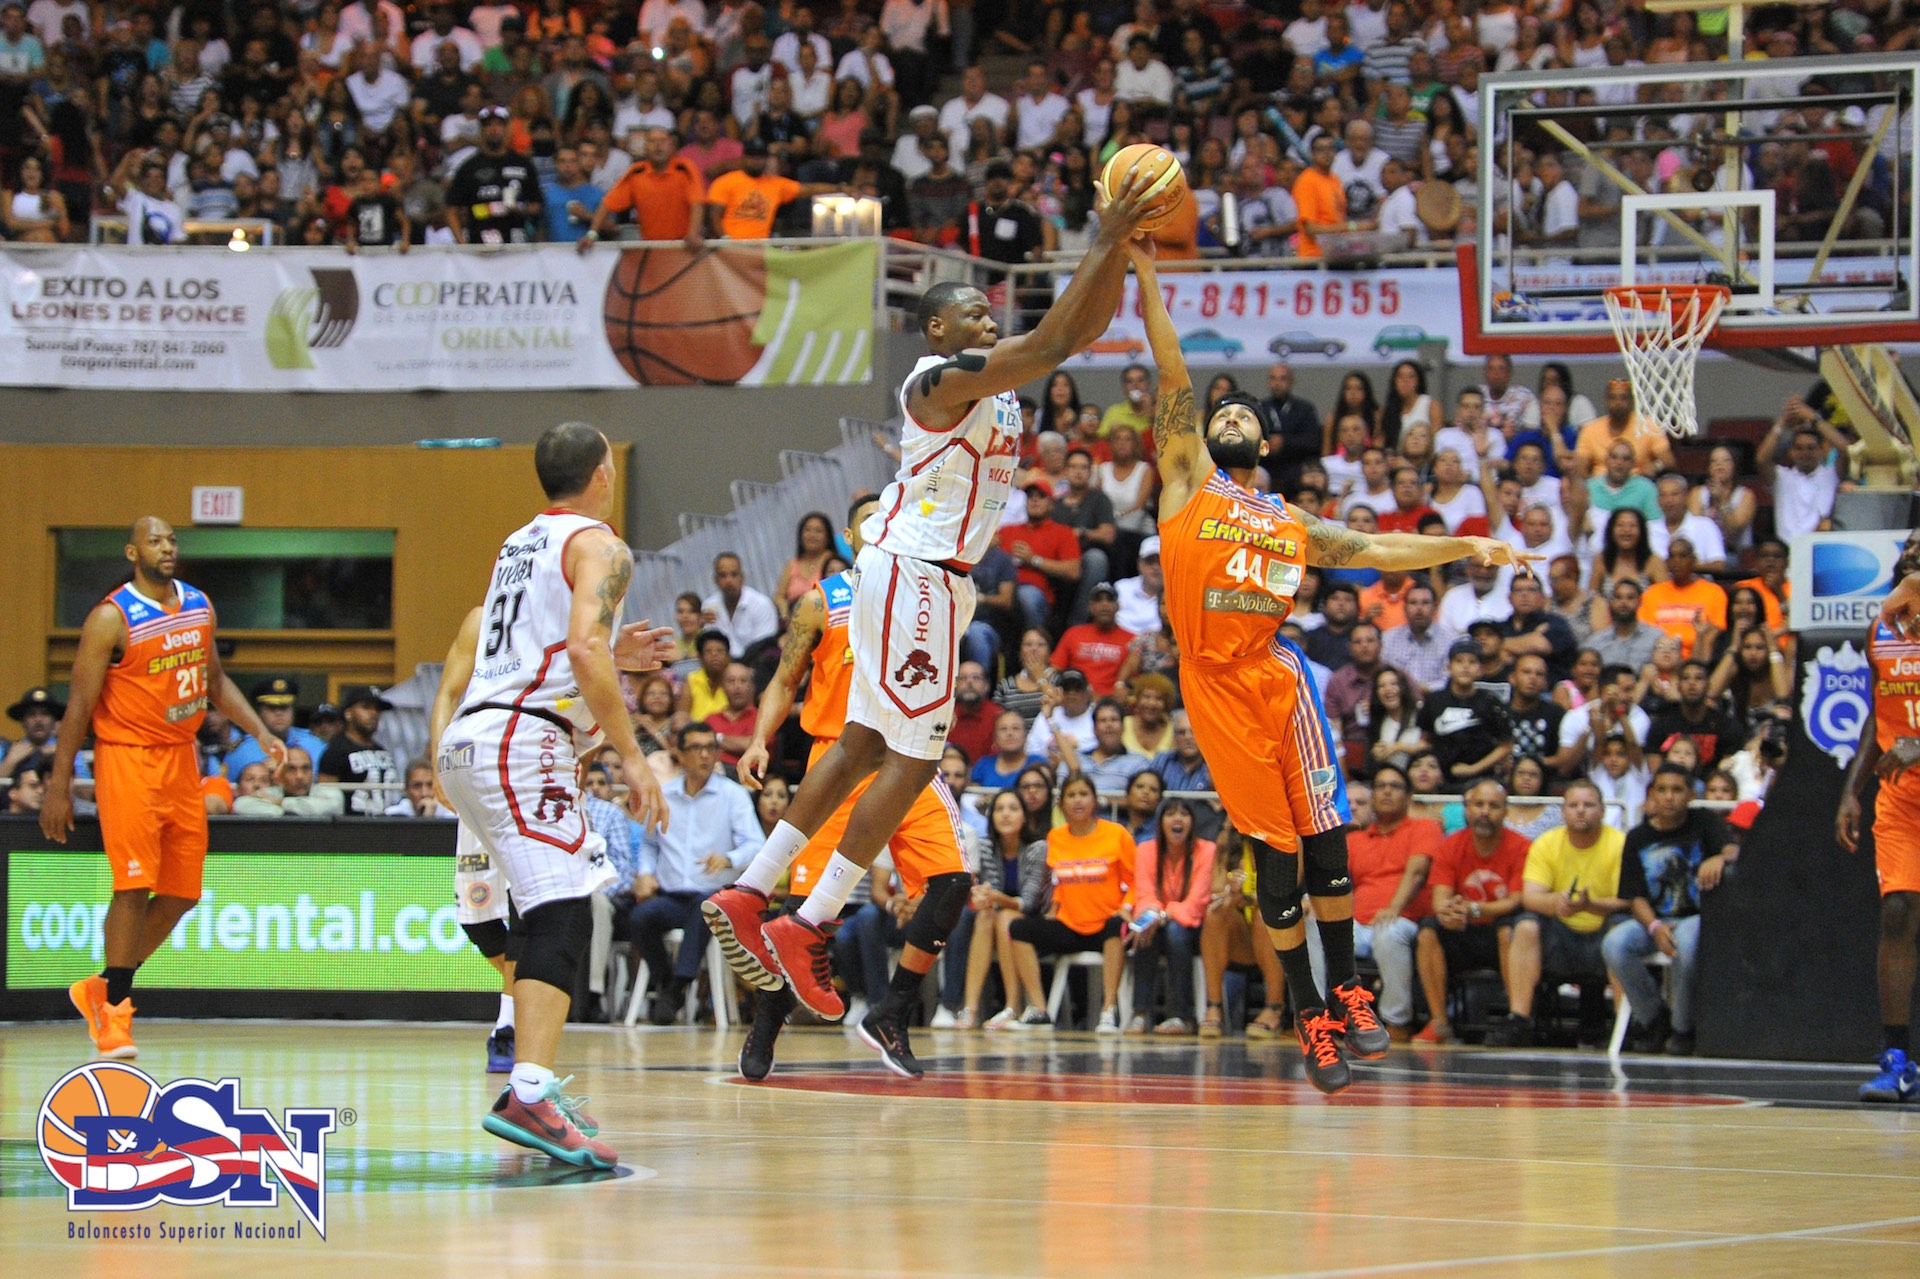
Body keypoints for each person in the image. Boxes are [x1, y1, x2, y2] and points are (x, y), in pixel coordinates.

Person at [702, 167, 1156, 1029]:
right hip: (918, 575)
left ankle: (750, 892)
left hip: (918, 580)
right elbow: (1055, 341)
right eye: (973, 314)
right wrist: (1102, 239)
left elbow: (1075, 331)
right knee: (912, 759)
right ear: (937, 327)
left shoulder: (993, 377)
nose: (989, 321)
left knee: (866, 745)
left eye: (993, 313)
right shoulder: (936, 381)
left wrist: (1119, 260)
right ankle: (808, 923)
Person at [1130, 240, 1528, 1092]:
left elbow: (1380, 545)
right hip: (1215, 686)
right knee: (1275, 868)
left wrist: (1466, 542)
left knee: (1327, 846)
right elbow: (1171, 367)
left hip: (1280, 676)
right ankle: (1309, 1010)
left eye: (1242, 414)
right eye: (1219, 410)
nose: (1227, 414)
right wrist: (1148, 271)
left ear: (1264, 442)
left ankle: (1347, 988)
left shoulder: (1288, 522)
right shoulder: (1186, 480)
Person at [436, 422, 669, 1170]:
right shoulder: (602, 543)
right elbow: (582, 647)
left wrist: (609, 653)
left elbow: (540, 647)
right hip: (520, 742)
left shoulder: (520, 541)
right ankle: (529, 1090)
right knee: (566, 905)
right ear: (605, 472)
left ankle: (530, 1080)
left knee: (547, 906)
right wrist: (632, 754)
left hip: (478, 739)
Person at [729, 494, 974, 1078]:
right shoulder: (822, 601)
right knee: (805, 916)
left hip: (909, 757)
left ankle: (893, 1011)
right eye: (870, 519)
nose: (883, 526)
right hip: (836, 760)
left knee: (953, 883)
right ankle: (768, 1024)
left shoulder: (927, 594)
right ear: (848, 536)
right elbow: (784, 680)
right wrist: (760, 738)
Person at [45, 517, 286, 1062]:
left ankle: (100, 988)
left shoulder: (199, 604)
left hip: (181, 758)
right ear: (133, 551)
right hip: (127, 759)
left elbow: (215, 683)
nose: (167, 547)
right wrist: (59, 786)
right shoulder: (110, 617)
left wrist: (261, 731)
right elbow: (78, 707)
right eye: (155, 540)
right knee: (132, 886)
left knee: (182, 893)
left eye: (172, 539)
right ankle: (115, 1016)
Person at [1837, 528, 1920, 1101]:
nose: (1914, 551)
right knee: (1896, 914)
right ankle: (1897, 1061)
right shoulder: (1883, 630)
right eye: (1910, 545)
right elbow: (1877, 716)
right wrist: (1851, 790)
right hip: (1900, 796)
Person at [1607, 764, 1740, 1056]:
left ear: (1691, 794)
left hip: (1698, 916)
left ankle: (1683, 1028)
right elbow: (1635, 897)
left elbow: (1733, 850)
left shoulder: (1704, 821)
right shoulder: (1638, 837)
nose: (1669, 797)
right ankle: (1655, 1019)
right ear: (1652, 794)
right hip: (1655, 918)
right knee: (1615, 943)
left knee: (1686, 945)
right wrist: (1654, 927)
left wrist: (1720, 858)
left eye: (1677, 790)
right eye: (1662, 790)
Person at [1488, 779, 1630, 1047]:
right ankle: (1519, 1019)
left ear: (1602, 810)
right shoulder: (1546, 843)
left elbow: (1626, 901)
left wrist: (1589, 905)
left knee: (1621, 928)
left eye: (1588, 805)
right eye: (1573, 805)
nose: (1580, 811)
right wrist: (1558, 902)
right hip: (1561, 937)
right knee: (1526, 925)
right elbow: (1531, 897)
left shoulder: (1620, 843)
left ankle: (1626, 1027)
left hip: (1603, 934)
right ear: (1563, 811)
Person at [1006, 773, 1136, 1030]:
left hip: (1106, 924)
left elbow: (1136, 881)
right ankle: (1039, 1009)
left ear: (1094, 800)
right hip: (1070, 923)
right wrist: (1055, 907)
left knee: (1115, 926)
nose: (1078, 801)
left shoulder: (1116, 834)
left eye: (1083, 794)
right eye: (1071, 795)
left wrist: (1127, 907)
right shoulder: (1056, 837)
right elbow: (1059, 881)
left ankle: (1109, 1009)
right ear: (1062, 803)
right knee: (1019, 928)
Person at [1414, 779, 1531, 1043]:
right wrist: (1449, 913)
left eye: (1493, 806)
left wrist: (1474, 909)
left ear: (1506, 812)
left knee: (1509, 929)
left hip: (1497, 931)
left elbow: (1514, 901)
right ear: (1467, 809)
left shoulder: (1521, 846)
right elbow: (1439, 900)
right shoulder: (1450, 845)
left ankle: (1516, 1022)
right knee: (1428, 932)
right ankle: (1439, 1023)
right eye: (1478, 804)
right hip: (1463, 932)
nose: (1485, 812)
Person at [1345, 764, 1440, 1038]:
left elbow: (1416, 872)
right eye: (1381, 786)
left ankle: (1395, 1021)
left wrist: (1393, 909)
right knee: (1313, 926)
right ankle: (1316, 1017)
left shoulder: (1424, 828)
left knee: (1389, 932)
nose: (1387, 791)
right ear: (1373, 797)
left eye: (1395, 786)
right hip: (1358, 925)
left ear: (1409, 797)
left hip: (1405, 921)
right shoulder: (1355, 840)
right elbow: (1338, 884)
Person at [1126, 797, 1213, 1034]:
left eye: (1184, 814)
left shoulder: (1206, 850)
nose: (1177, 819)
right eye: (1170, 814)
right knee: (1145, 930)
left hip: (1196, 928)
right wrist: (1155, 916)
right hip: (1159, 923)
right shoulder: (1146, 849)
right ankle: (1140, 1013)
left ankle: (1182, 1016)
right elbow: (1144, 895)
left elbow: (1197, 903)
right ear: (1160, 821)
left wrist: (1164, 914)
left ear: (1193, 822)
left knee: (1175, 932)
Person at [1417, 639, 1513, 792]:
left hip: (1482, 781)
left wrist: (1473, 769)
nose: (1465, 667)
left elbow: (1506, 746)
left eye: (1472, 662)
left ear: (1480, 669)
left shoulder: (1490, 701)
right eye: (1459, 661)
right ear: (1449, 667)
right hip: (1440, 782)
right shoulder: (1434, 700)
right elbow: (1425, 742)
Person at [222, 677, 326, 780]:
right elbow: (229, 789)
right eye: (271, 708)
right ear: (260, 713)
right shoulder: (241, 750)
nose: (279, 713)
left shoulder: (316, 744)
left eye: (284, 707)